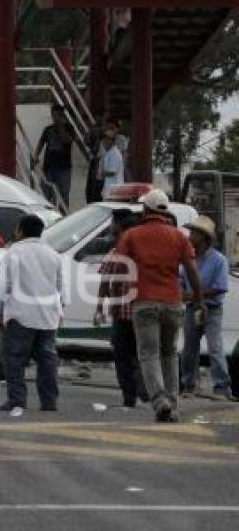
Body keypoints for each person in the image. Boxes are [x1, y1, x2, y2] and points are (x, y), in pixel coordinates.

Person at [115, 189, 205, 423]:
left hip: (144, 302)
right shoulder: (179, 237)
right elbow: (192, 271)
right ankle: (172, 405)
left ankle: (159, 400)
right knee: (169, 354)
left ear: (146, 210)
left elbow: (119, 268)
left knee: (148, 354)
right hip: (173, 303)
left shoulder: (132, 235)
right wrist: (199, 299)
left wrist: (120, 293)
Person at [0, 215, 68, 413]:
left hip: (21, 314)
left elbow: (4, 284)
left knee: (14, 358)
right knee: (47, 360)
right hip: (48, 316)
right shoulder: (53, 254)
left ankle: (17, 400)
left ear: (21, 231)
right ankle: (49, 402)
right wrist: (61, 309)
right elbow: (61, 287)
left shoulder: (14, 252)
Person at [95, 211, 147, 408]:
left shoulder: (116, 252)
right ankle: (145, 387)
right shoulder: (145, 252)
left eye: (112, 223)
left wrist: (99, 308)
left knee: (123, 356)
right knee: (142, 354)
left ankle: (129, 397)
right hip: (143, 312)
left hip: (122, 315)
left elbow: (104, 283)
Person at [180, 216, 234, 400]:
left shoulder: (219, 260)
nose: (190, 235)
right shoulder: (188, 258)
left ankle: (221, 386)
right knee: (189, 349)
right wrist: (184, 294)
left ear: (204, 237)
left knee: (215, 347)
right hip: (191, 308)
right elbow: (180, 281)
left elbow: (220, 287)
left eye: (194, 233)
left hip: (212, 310)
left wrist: (196, 294)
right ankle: (189, 384)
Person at [33, 104, 75, 208]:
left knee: (63, 194)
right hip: (49, 166)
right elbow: (41, 143)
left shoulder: (69, 128)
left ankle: (63, 214)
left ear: (62, 116)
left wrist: (61, 126)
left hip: (63, 168)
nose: (54, 117)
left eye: (57, 115)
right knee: (46, 193)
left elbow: (68, 140)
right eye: (53, 115)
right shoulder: (48, 129)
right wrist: (36, 155)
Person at [98, 132, 125, 200]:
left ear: (113, 141)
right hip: (110, 190)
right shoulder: (110, 152)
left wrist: (101, 174)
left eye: (107, 139)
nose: (104, 141)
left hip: (114, 191)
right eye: (104, 139)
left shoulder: (114, 153)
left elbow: (113, 172)